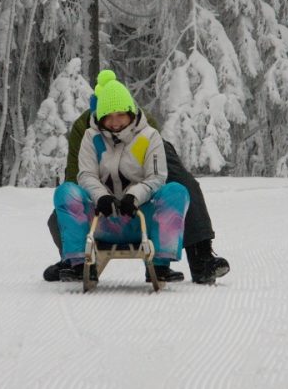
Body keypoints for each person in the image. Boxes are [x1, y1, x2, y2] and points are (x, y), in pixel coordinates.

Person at [43, 70, 230, 284]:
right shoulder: (85, 129)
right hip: (101, 199)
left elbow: (157, 176)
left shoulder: (145, 129)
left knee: (180, 187)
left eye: (119, 113)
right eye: (104, 113)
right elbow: (76, 177)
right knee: (62, 206)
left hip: (139, 180)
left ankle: (200, 258)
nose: (113, 122)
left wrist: (134, 196)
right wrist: (98, 199)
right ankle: (76, 262)